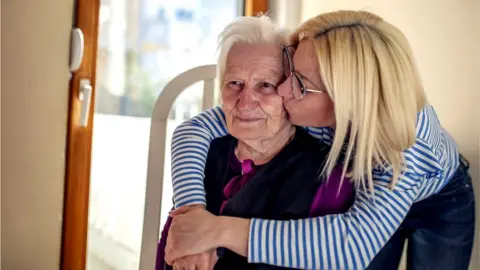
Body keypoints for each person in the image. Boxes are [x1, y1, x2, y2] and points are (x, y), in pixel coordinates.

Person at [166, 10, 476, 270]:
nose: (283, 90)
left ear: (345, 101)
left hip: (438, 200)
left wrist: (217, 230)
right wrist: (194, 214)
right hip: (371, 191)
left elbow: (352, 246)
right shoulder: (301, 104)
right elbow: (193, 131)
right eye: (291, 71)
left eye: (300, 84)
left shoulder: (408, 149)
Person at [156, 15, 354, 269]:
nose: (246, 102)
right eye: (234, 83)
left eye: (265, 85)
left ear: (291, 89)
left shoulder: (329, 176)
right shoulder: (202, 154)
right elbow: (171, 249)